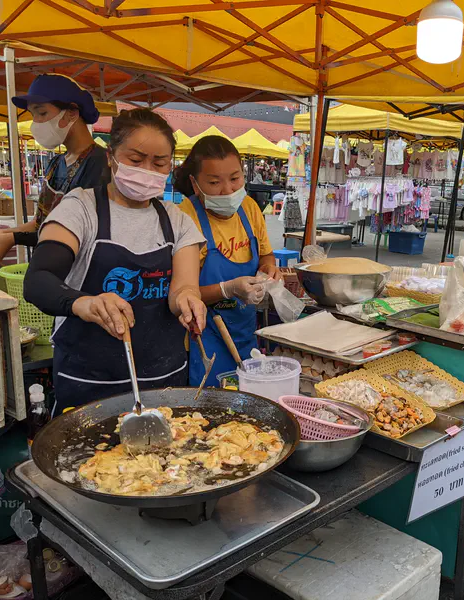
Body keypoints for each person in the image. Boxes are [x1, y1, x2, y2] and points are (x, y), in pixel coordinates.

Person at [23, 108, 206, 413]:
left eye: (159, 163)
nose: (147, 169)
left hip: (165, 382)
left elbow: (183, 288)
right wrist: (86, 303)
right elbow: (39, 280)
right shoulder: (80, 209)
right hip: (89, 386)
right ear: (111, 157)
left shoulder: (178, 221)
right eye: (136, 160)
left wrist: (188, 299)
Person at [174, 136, 280, 385]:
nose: (228, 191)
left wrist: (269, 269)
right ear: (195, 182)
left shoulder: (249, 208)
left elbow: (266, 254)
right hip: (203, 338)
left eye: (235, 179)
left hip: (245, 333)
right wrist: (228, 289)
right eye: (214, 182)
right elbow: (180, 294)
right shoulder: (184, 218)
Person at [0, 74, 109, 260]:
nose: (36, 123)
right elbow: (40, 223)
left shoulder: (100, 163)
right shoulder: (56, 163)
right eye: (33, 115)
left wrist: (14, 238)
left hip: (78, 271)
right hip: (48, 265)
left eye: (42, 113)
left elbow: (81, 230)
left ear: (72, 113)